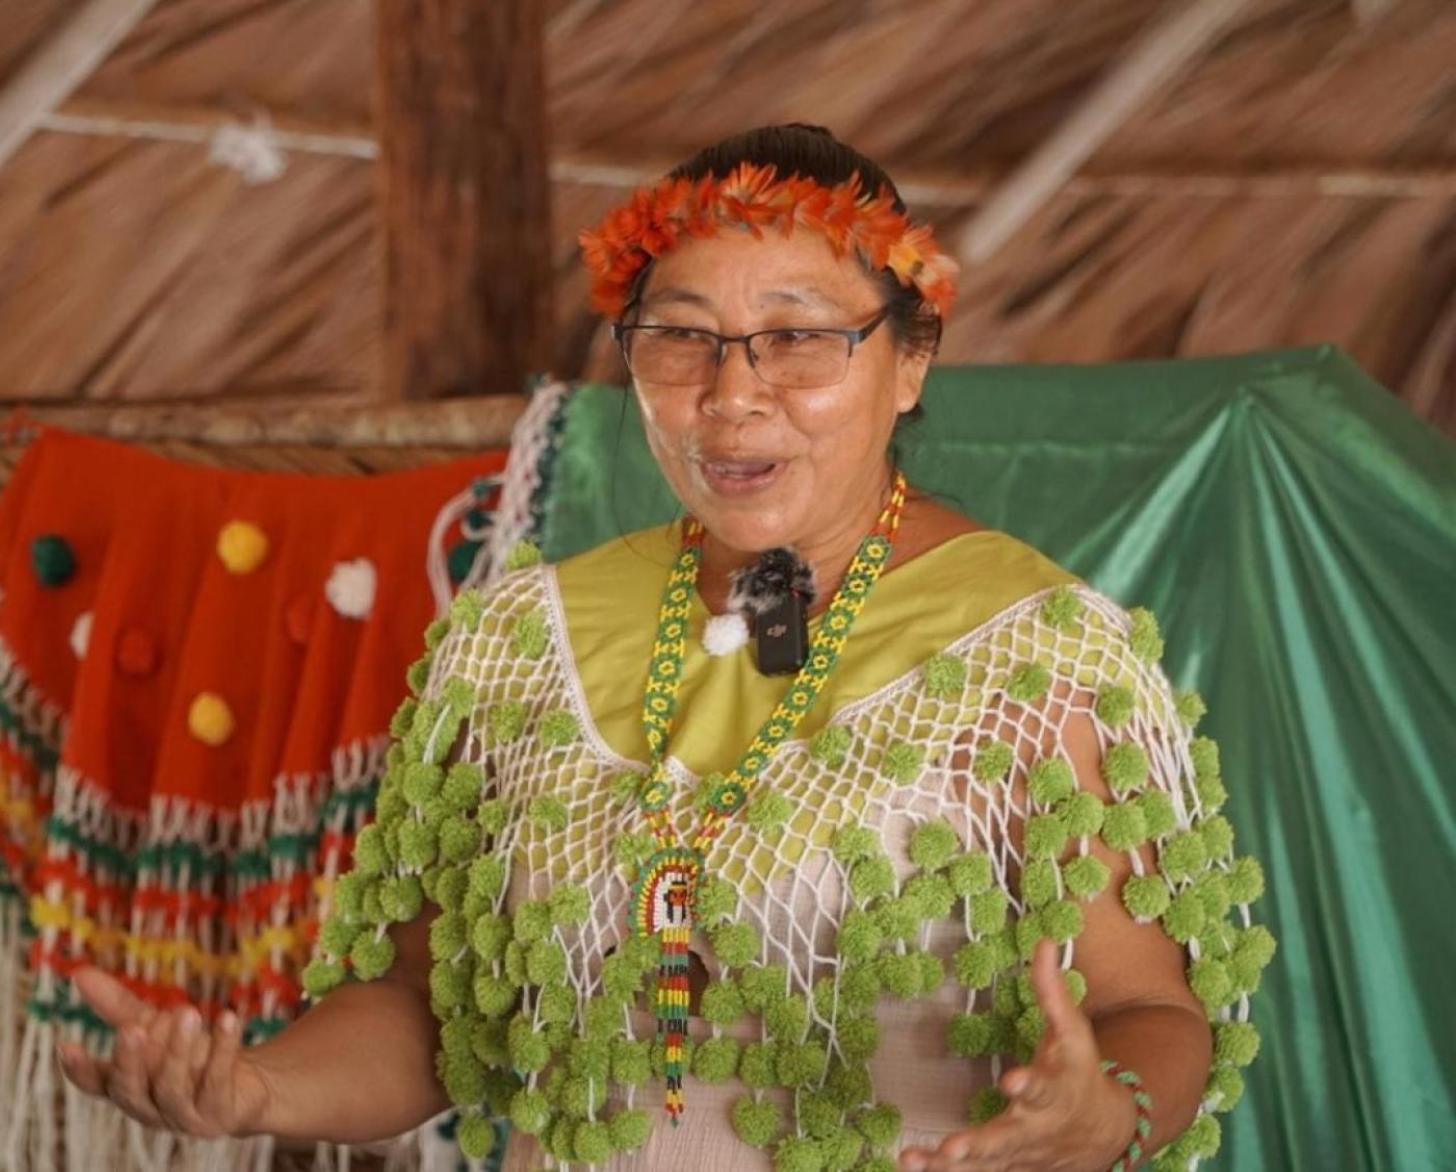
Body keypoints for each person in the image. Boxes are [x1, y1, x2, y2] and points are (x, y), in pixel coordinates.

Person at [59, 124, 1271, 1172]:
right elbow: (425, 1011)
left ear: (909, 360)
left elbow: (1149, 1006)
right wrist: (255, 1089)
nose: (731, 395)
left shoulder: (1036, 653)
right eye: (679, 338)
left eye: (797, 340)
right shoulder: (521, 644)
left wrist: (1101, 1110)